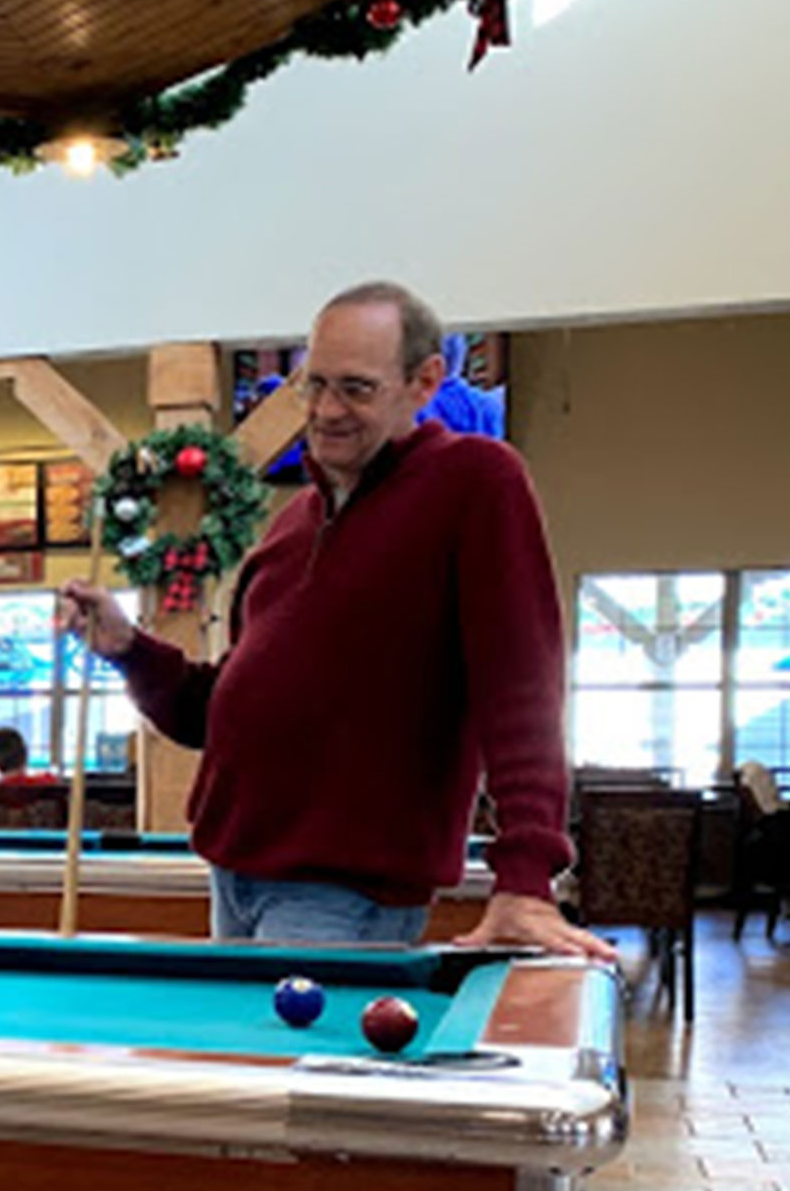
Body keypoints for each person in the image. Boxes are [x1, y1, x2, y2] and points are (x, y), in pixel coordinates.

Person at [59, 280, 612, 960]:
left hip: (341, 889)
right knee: (251, 1066)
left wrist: (525, 880)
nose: (324, 411)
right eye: (313, 385)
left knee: (289, 1067)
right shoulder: (293, 523)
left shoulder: (474, 481)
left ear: (425, 381)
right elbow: (220, 710)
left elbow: (523, 688)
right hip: (235, 871)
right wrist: (128, 650)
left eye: (355, 388)